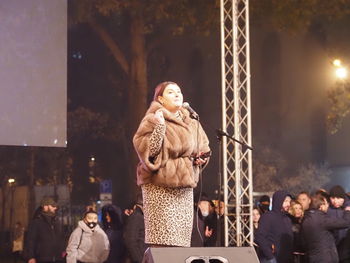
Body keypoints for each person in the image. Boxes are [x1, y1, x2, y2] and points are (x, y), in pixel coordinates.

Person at [133, 81, 210, 247]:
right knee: (163, 242)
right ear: (160, 99)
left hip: (184, 190)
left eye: (179, 91)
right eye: (171, 92)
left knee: (181, 242)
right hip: (160, 188)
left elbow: (203, 146)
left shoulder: (192, 122)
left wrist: (201, 159)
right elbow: (150, 155)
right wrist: (160, 127)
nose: (177, 94)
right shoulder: (153, 119)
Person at [302, 194, 350, 263]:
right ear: (321, 206)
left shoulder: (306, 219)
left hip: (313, 257)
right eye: (326, 204)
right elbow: (345, 223)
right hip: (325, 258)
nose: (328, 206)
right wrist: (347, 212)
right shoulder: (322, 219)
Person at [255, 190, 293, 263]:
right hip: (270, 259)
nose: (288, 204)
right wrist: (270, 256)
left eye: (289, 202)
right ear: (279, 201)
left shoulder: (287, 219)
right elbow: (260, 237)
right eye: (285, 201)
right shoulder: (268, 217)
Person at [23, 197, 65, 263]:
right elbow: (30, 241)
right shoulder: (36, 222)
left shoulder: (57, 222)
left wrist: (63, 252)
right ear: (45, 207)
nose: (55, 208)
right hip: (42, 259)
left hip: (58, 259)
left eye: (55, 206)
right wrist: (31, 257)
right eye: (53, 206)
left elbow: (60, 239)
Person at [327, 185, 350, 263]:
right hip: (331, 248)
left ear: (343, 198)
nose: (335, 201)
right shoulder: (327, 210)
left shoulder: (348, 208)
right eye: (333, 198)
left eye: (338, 198)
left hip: (346, 249)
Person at [123, 194, 148, 263]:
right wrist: (140, 259)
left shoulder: (139, 216)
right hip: (139, 258)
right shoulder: (136, 217)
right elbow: (130, 241)